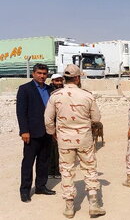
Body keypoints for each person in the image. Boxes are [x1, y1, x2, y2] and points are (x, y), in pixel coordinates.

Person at [44, 64, 105, 218]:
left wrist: (53, 133)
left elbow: (48, 119)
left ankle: (70, 207)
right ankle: (94, 205)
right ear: (77, 78)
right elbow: (96, 119)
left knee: (66, 170)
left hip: (64, 140)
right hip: (84, 139)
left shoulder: (56, 95)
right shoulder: (87, 95)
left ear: (65, 78)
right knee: (89, 169)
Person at [16, 63, 56, 203]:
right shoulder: (25, 89)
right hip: (31, 133)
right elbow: (21, 112)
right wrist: (24, 131)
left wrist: (55, 130)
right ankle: (25, 191)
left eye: (44, 73)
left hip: (47, 132)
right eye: (39, 73)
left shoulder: (51, 89)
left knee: (44, 161)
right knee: (28, 162)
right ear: (33, 73)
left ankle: (41, 186)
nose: (42, 76)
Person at [48, 74, 64, 179]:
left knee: (58, 148)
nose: (58, 83)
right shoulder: (48, 91)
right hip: (50, 121)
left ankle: (57, 171)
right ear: (53, 81)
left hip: (61, 122)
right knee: (50, 148)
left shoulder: (64, 91)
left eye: (60, 81)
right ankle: (50, 171)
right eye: (56, 81)